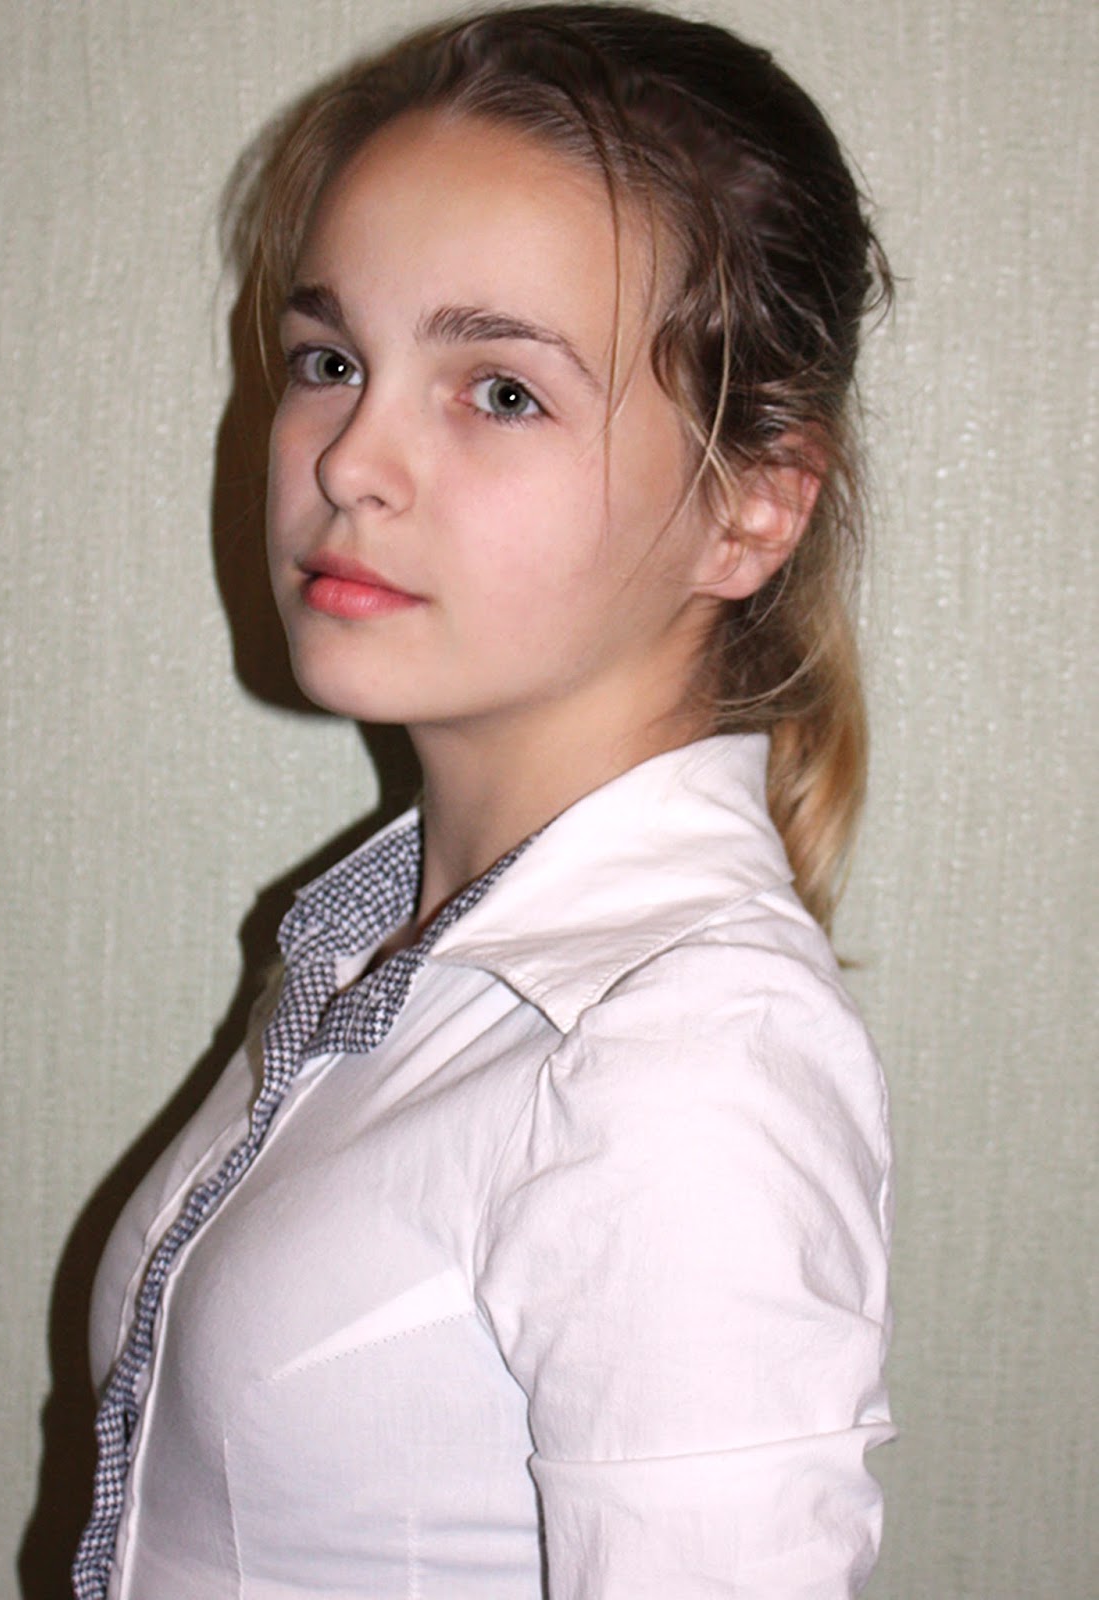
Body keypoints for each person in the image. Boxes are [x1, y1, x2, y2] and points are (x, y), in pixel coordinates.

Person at [73, 5, 895, 1596]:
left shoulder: (675, 1056)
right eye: (330, 362)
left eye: (500, 390)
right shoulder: (381, 953)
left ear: (751, 507)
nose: (348, 461)